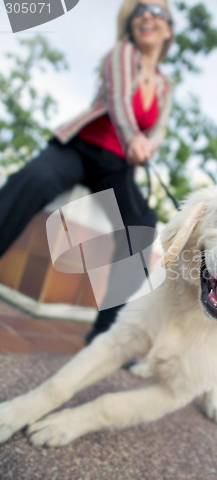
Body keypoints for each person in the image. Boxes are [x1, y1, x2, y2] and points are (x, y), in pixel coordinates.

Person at [0, 0, 174, 344]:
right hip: (78, 148)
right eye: (139, 11)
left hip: (116, 167)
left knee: (142, 223)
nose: (146, 16)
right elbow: (119, 100)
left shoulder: (166, 85)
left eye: (157, 11)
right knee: (32, 180)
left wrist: (149, 145)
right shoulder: (124, 53)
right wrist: (133, 137)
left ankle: (105, 332)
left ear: (168, 30)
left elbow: (160, 129)